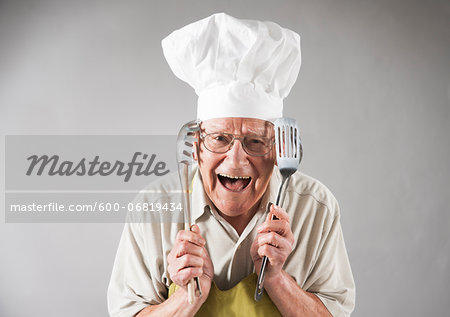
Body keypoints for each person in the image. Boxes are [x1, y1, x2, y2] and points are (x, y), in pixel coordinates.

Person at [108, 13, 355, 316]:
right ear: (197, 146)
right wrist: (186, 298)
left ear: (278, 150)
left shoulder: (316, 208)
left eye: (255, 142)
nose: (236, 160)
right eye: (220, 139)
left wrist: (278, 280)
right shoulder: (152, 210)